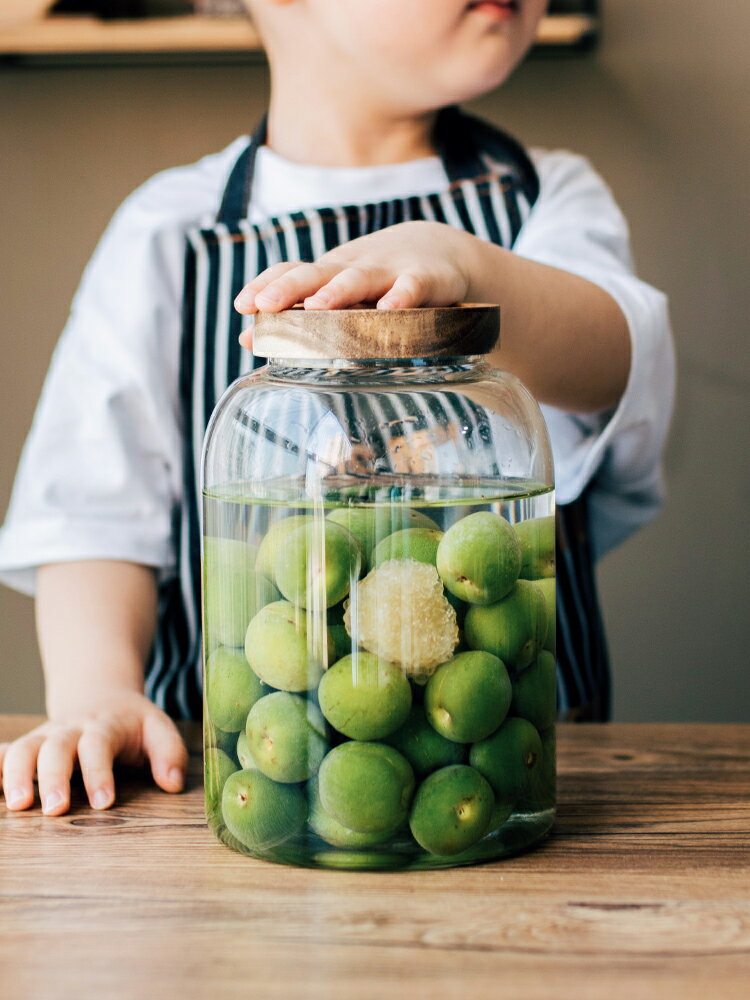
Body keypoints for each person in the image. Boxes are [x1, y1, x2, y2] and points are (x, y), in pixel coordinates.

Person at [0, 0, 674, 817]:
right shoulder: (170, 234)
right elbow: (91, 513)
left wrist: (466, 266)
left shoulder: (548, 198)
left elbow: (612, 356)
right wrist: (95, 692)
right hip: (245, 776)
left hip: (497, 777)